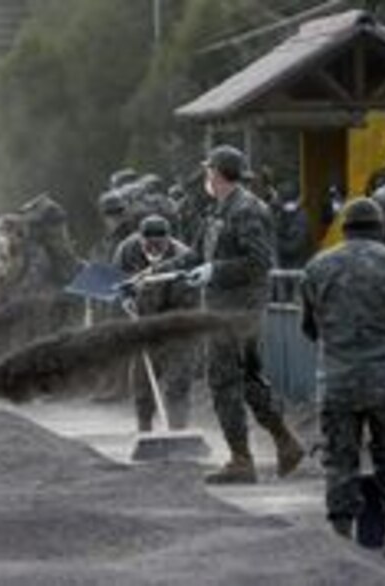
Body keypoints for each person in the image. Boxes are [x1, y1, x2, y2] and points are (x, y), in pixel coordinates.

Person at [301, 198, 385, 563]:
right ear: (380, 227)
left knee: (340, 461)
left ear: (345, 227)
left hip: (338, 382)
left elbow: (309, 329)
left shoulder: (317, 267)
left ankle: (341, 539)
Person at [183, 145, 304, 484]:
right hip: (225, 308)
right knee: (249, 381)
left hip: (238, 310)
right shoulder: (222, 208)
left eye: (208, 170)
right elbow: (196, 253)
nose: (205, 176)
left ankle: (242, 460)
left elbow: (259, 262)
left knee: (224, 381)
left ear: (217, 173)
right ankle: (285, 443)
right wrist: (155, 273)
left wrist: (215, 270)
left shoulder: (247, 209)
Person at [114, 214, 196, 432]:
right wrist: (127, 300)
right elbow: (117, 283)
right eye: (148, 244)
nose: (153, 249)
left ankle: (178, 430)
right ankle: (144, 429)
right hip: (142, 323)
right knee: (141, 381)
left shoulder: (183, 257)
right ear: (140, 240)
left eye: (159, 244)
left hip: (176, 323)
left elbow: (187, 303)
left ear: (168, 240)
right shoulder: (127, 250)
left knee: (178, 380)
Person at [272, 182, 312, 302]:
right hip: (283, 277)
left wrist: (275, 242)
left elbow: (294, 247)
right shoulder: (280, 215)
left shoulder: (301, 217)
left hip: (296, 274)